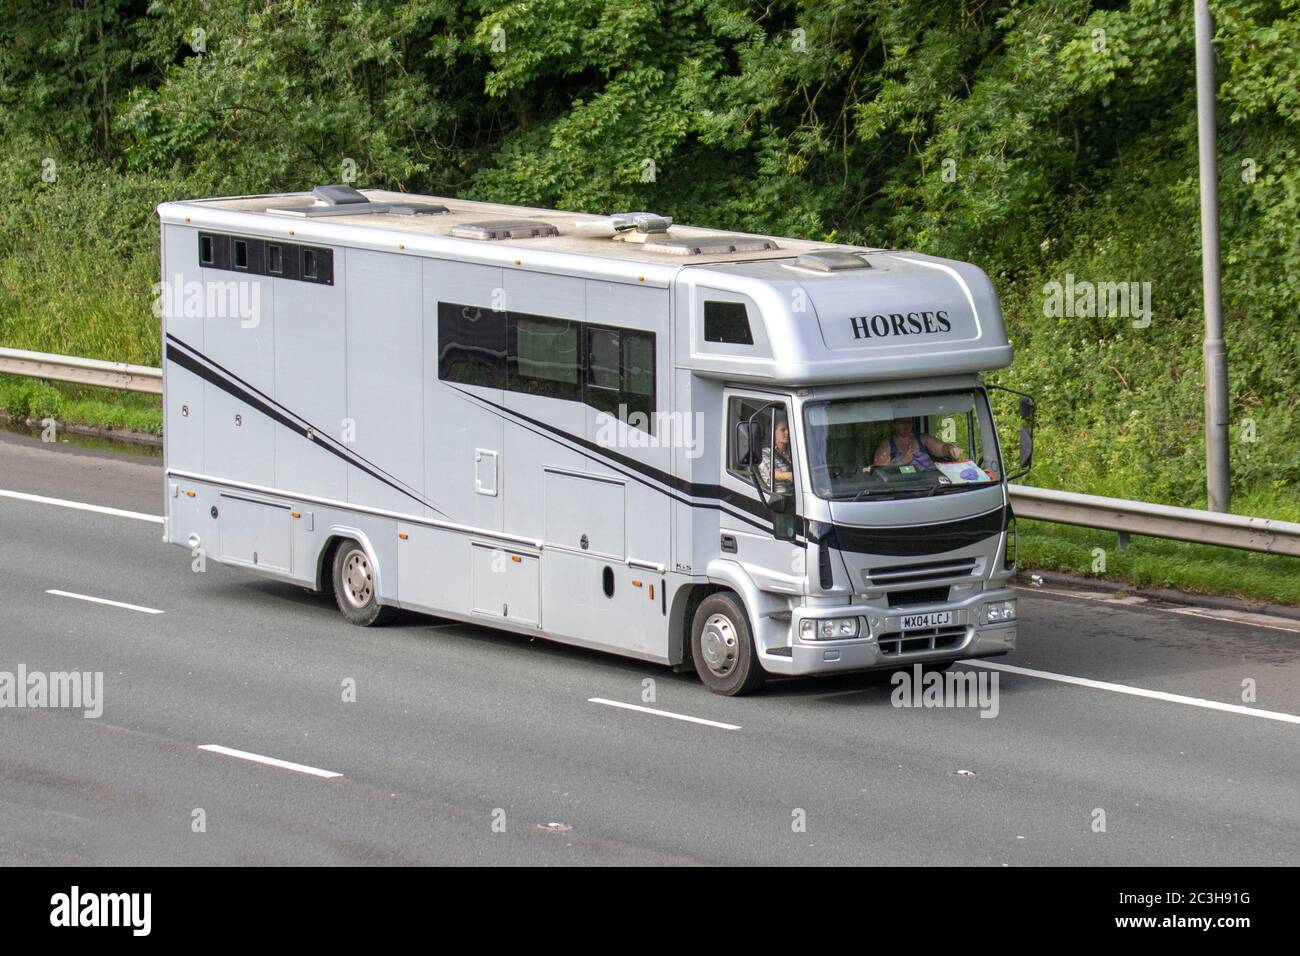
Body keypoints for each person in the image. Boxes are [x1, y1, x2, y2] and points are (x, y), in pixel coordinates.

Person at [872, 417, 964, 470]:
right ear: (893, 425)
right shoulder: (886, 444)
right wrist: (902, 462)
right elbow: (879, 470)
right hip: (903, 488)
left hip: (931, 485)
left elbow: (939, 448)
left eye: (909, 422)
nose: (906, 425)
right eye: (902, 422)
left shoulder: (922, 438)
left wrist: (950, 450)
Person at [758, 417, 794, 486]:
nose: (787, 432)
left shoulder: (793, 451)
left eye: (788, 429)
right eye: (783, 429)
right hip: (779, 494)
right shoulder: (765, 453)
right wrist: (792, 475)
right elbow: (773, 474)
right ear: (773, 432)